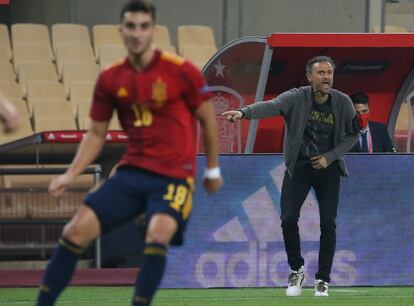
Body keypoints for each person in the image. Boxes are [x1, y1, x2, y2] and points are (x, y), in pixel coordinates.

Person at [36, 1, 222, 305]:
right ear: (121, 31)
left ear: (154, 30)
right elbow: (96, 134)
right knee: (74, 232)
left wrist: (212, 170)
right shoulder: (110, 79)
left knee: (157, 235)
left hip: (173, 176)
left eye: (144, 26)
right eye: (131, 27)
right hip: (131, 173)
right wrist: (69, 174)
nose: (137, 33)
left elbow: (208, 119)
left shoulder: (181, 71)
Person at [223, 56, 359, 297]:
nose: (326, 77)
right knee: (287, 219)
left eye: (329, 72)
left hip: (327, 170)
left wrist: (332, 155)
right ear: (309, 77)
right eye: (321, 73)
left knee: (328, 223)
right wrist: (243, 113)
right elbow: (270, 106)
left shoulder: (343, 102)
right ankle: (296, 269)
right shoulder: (296, 97)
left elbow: (352, 134)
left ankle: (323, 280)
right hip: (299, 169)